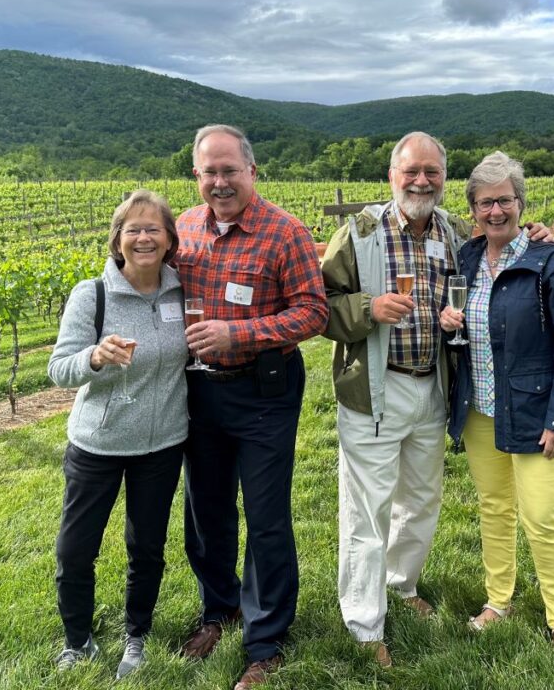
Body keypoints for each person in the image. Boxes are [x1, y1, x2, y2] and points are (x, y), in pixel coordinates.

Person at [321, 132, 554, 666]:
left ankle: (401, 584)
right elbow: (319, 305)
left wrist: (537, 235)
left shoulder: (454, 233)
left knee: (421, 500)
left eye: (432, 172)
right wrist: (367, 309)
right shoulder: (359, 234)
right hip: (376, 388)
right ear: (392, 176)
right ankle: (365, 625)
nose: (421, 181)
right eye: (412, 171)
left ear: (444, 179)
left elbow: (503, 244)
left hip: (434, 385)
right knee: (367, 511)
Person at [174, 124, 328, 690]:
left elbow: (313, 312)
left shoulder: (286, 232)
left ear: (252, 172)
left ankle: (265, 642)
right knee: (206, 510)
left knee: (265, 517)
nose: (220, 182)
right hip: (198, 391)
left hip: (264, 391)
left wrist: (238, 334)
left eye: (230, 171)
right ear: (197, 175)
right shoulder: (183, 228)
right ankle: (220, 609)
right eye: (209, 172)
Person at [439, 151, 554, 645]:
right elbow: (461, 327)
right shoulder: (466, 259)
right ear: (473, 210)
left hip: (536, 410)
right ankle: (497, 600)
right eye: (485, 203)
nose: (495, 211)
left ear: (521, 203)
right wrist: (447, 321)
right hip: (480, 408)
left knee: (542, 516)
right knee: (495, 508)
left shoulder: (551, 263)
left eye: (504, 200)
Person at [48, 189, 188, 679]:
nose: (143, 238)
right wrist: (94, 357)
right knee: (75, 549)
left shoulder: (182, 291)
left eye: (154, 229)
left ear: (169, 240)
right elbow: (58, 369)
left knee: (146, 547)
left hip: (163, 443)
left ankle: (137, 634)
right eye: (133, 229)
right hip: (98, 444)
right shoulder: (93, 295)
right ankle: (77, 642)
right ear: (118, 239)